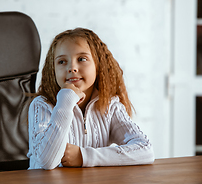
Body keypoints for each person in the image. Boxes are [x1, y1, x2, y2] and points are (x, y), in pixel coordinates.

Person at [27, 28, 154, 170]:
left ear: (98, 65)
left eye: (81, 59)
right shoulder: (42, 105)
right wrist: (65, 101)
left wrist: (83, 156)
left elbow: (145, 150)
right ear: (53, 69)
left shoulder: (110, 106)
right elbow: (46, 162)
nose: (72, 67)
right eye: (62, 61)